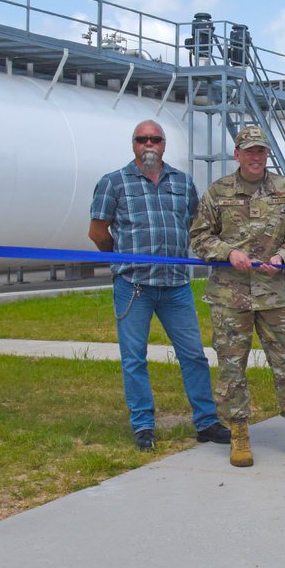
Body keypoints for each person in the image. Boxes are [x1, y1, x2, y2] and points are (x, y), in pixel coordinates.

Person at [190, 126, 285, 467]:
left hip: (275, 295)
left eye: (260, 151)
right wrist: (226, 252)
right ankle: (239, 434)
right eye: (248, 151)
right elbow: (200, 236)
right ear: (237, 154)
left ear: (267, 154)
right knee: (232, 367)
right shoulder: (218, 191)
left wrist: (283, 257)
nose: (255, 157)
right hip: (229, 295)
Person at [89, 120, 230, 452]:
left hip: (176, 287)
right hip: (134, 286)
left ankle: (206, 421)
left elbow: (195, 227)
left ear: (164, 145)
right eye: (142, 139)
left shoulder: (182, 183)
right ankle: (143, 426)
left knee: (194, 355)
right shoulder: (113, 183)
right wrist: (122, 259)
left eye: (155, 139)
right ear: (133, 144)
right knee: (134, 358)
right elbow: (97, 232)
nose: (148, 144)